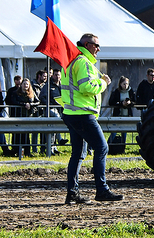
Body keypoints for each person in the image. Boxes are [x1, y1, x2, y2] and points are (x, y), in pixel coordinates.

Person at [61, 33, 123, 204]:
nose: (98, 49)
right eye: (96, 45)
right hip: (82, 114)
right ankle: (101, 190)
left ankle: (72, 193)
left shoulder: (71, 60)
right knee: (102, 148)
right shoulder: (83, 62)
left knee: (78, 154)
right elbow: (86, 87)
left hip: (72, 113)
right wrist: (103, 83)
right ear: (86, 45)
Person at [11, 78, 40, 156]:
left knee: (26, 135)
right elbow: (14, 101)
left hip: (28, 116)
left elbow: (38, 101)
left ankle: (27, 152)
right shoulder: (16, 93)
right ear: (21, 85)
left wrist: (31, 105)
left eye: (27, 84)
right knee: (17, 135)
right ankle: (16, 151)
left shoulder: (31, 93)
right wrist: (24, 104)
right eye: (24, 84)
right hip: (18, 115)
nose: (25, 85)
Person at [108, 76, 136, 154]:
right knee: (114, 132)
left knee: (124, 133)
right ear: (120, 84)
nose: (125, 86)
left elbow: (135, 101)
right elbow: (111, 102)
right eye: (124, 84)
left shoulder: (130, 91)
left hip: (127, 115)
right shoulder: (116, 92)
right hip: (118, 114)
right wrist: (121, 103)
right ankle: (107, 147)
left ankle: (122, 148)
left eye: (127, 84)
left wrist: (129, 103)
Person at [40, 68, 64, 153]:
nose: (57, 77)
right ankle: (59, 140)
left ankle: (54, 148)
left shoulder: (62, 85)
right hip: (50, 109)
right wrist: (50, 104)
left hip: (61, 109)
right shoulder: (48, 85)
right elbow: (42, 97)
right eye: (56, 75)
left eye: (59, 75)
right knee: (53, 125)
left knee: (54, 129)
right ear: (52, 75)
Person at [5, 75, 22, 156]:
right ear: (15, 81)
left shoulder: (23, 90)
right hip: (14, 113)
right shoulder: (11, 90)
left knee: (22, 133)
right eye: (17, 81)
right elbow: (8, 100)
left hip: (22, 114)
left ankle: (21, 149)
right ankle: (14, 148)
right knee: (14, 133)